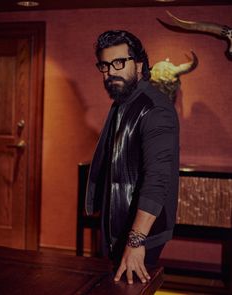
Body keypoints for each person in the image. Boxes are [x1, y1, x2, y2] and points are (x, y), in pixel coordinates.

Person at [85, 30, 179, 285]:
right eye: (104, 65)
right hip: (117, 224)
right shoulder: (122, 104)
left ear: (138, 65)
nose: (110, 72)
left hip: (139, 233)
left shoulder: (155, 107)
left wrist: (136, 241)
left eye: (118, 62)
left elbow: (158, 179)